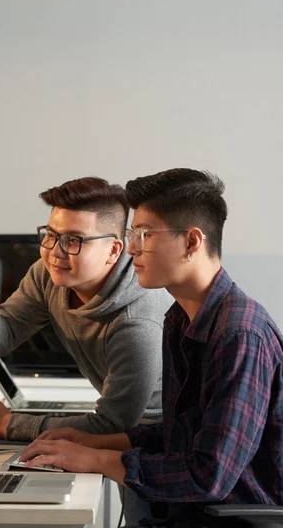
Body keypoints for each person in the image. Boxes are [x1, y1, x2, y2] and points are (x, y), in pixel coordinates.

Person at [19, 169, 283, 527]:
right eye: (132, 233)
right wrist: (92, 442)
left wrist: (94, 460)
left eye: (144, 235)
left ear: (192, 242)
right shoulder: (179, 319)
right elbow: (179, 436)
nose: (131, 248)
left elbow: (208, 475)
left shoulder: (239, 334)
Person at [0, 176, 172, 446]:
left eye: (73, 240)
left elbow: (113, 424)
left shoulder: (137, 322)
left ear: (114, 250)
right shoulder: (48, 275)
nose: (55, 252)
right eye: (50, 235)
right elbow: (0, 340)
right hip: (121, 425)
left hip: (160, 437)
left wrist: (9, 424)